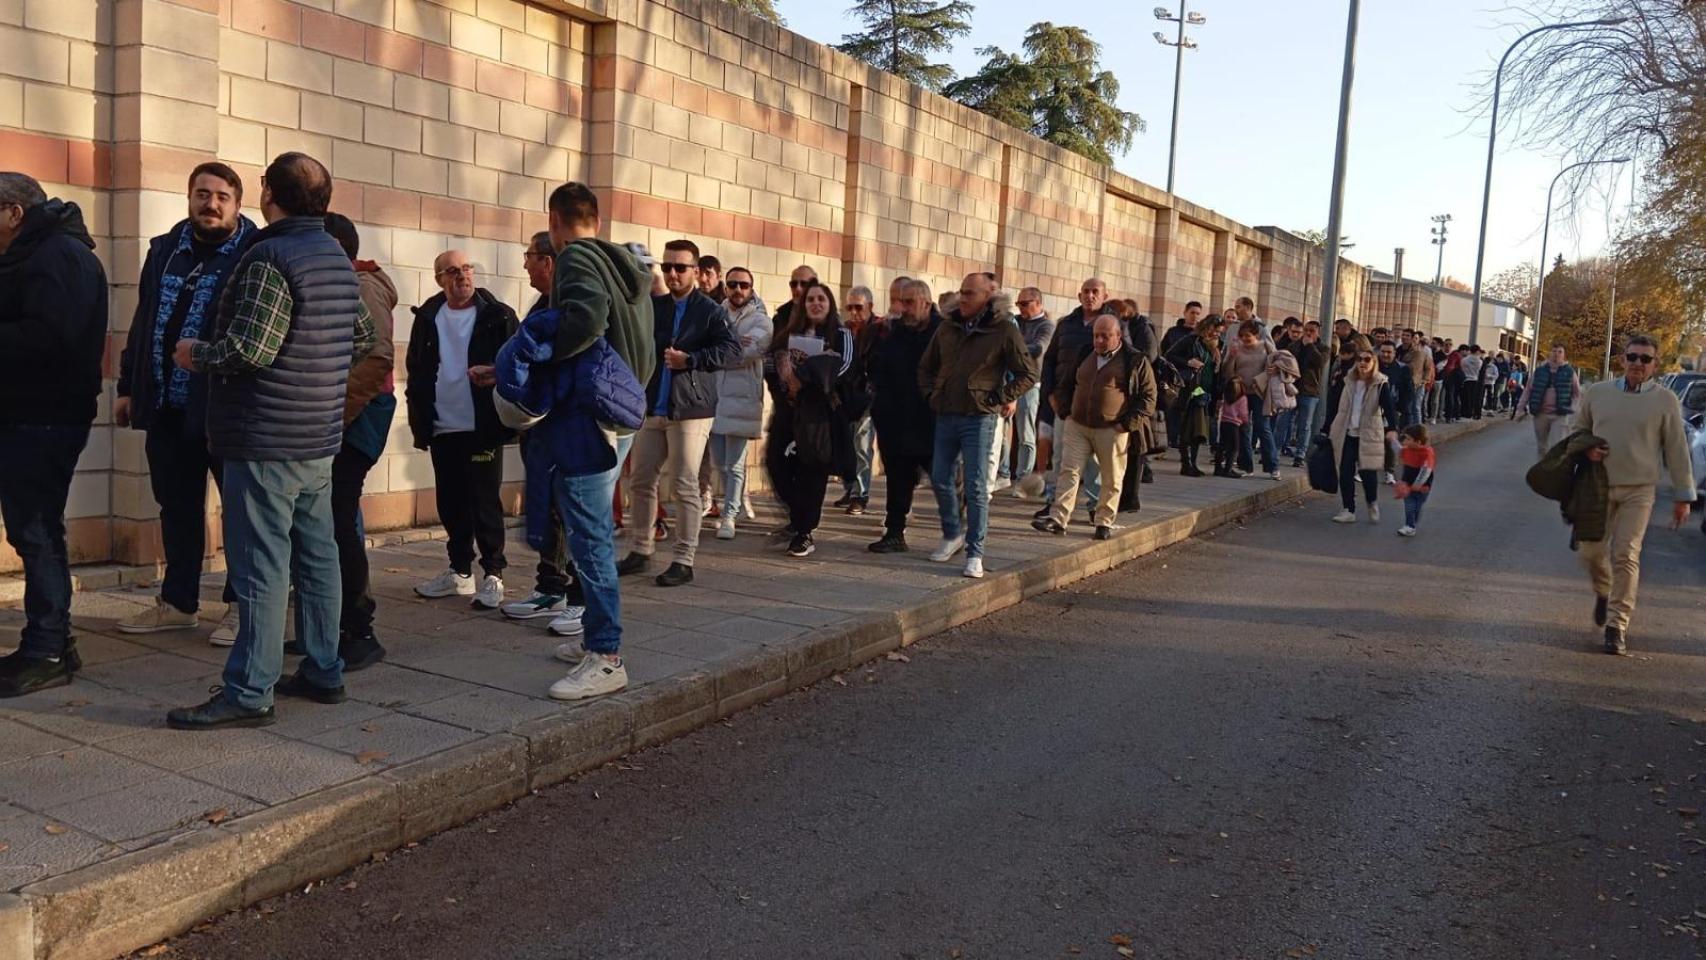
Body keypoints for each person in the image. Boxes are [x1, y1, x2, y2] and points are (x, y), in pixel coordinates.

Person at [164, 152, 375, 728]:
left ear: (267, 193)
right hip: (317, 437)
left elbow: (248, 351)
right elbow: (362, 336)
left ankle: (249, 691)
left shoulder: (268, 258)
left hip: (263, 437)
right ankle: (324, 668)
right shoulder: (334, 255)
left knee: (259, 567)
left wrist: (193, 353)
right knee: (318, 557)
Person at [112, 162, 254, 644]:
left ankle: (241, 607)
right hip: (166, 406)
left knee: (240, 511)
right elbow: (144, 318)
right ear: (190, 197)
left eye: (221, 196)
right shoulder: (166, 249)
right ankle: (178, 603)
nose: (210, 204)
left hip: (224, 409)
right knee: (176, 507)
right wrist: (128, 387)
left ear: (237, 203)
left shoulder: (254, 253)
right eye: (201, 194)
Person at [532, 182, 655, 699]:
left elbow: (585, 319)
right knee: (592, 527)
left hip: (591, 417)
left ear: (555, 222)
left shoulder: (578, 259)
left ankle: (606, 654)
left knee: (589, 536)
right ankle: (594, 640)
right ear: (596, 220)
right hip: (620, 413)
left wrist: (544, 353)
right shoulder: (625, 265)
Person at [0, 173, 107, 698]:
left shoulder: (57, 255)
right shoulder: (39, 252)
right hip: (30, 413)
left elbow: (51, 337)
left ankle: (45, 649)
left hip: (43, 416)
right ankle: (54, 643)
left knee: (38, 532)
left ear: (14, 212)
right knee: (37, 531)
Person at [618, 239, 739, 587]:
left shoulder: (710, 310)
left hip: (691, 408)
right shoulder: (656, 306)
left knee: (685, 484)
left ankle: (684, 559)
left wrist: (692, 360)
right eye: (667, 266)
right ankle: (641, 549)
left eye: (680, 267)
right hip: (652, 406)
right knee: (641, 479)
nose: (672, 273)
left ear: (696, 272)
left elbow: (730, 350)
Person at [406, 249, 519, 609]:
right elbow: (416, 368)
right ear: (439, 278)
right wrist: (419, 415)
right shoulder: (427, 316)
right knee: (450, 501)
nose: (463, 276)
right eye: (453, 271)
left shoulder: (497, 315)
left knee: (484, 499)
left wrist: (497, 378)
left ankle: (494, 574)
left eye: (467, 269)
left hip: (481, 422)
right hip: (442, 422)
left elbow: (517, 363)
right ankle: (460, 571)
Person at [1573, 334, 1695, 655]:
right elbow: (1578, 432)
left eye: (1645, 359)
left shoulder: (1665, 401)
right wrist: (1586, 450)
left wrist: (1684, 496)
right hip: (1598, 486)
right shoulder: (1596, 393)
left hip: (1639, 490)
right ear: (1622, 359)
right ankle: (1603, 590)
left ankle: (1617, 625)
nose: (1638, 364)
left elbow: (1677, 450)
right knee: (1590, 552)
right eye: (1633, 357)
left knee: (1626, 554)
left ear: (1655, 364)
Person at [313, 213, 396, 670]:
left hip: (357, 417)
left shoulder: (362, 287)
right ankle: (330, 627)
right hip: (349, 416)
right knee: (331, 520)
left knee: (339, 519)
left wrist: (332, 417)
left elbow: (376, 359)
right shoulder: (352, 282)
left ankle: (358, 630)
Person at [919, 272, 1038, 578]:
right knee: (940, 476)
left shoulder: (1003, 330)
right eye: (962, 292)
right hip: (946, 414)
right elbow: (926, 366)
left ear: (988, 296)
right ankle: (952, 533)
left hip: (980, 417)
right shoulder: (948, 326)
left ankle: (975, 552)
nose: (964, 298)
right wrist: (933, 395)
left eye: (970, 293)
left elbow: (1027, 373)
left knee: (976, 486)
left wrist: (998, 398)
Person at [502, 231, 582, 621]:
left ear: (547, 262)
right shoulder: (542, 303)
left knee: (574, 509)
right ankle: (552, 587)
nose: (524, 264)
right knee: (549, 507)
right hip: (541, 424)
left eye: (529, 255)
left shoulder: (572, 305)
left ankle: (583, 601)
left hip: (567, 424)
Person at [1031, 313, 1156, 540]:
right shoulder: (1084, 353)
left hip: (1112, 428)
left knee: (1111, 477)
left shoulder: (1134, 360)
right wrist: (1065, 412)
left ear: (1118, 336)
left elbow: (1148, 397)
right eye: (1096, 335)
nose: (1099, 341)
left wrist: (1126, 424)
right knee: (1068, 471)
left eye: (1105, 336)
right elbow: (1066, 382)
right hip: (1078, 425)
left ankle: (1104, 522)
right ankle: (1058, 519)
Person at [765, 282, 856, 558]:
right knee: (776, 464)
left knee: (811, 470)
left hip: (819, 414)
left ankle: (804, 531)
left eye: (821, 299)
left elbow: (845, 366)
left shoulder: (841, 334)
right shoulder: (788, 333)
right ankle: (799, 515)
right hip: (789, 410)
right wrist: (783, 372)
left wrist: (804, 376)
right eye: (810, 300)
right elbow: (769, 363)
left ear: (829, 304)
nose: (815, 304)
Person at [862, 279, 941, 553]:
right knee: (897, 478)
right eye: (899, 301)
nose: (902, 308)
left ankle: (958, 532)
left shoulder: (943, 333)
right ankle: (895, 532)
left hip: (930, 419)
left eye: (909, 302)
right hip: (895, 419)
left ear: (926, 303)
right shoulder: (893, 333)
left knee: (942, 479)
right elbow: (877, 367)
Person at [708, 266, 770, 540]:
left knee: (734, 464)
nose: (737, 290)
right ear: (725, 287)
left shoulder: (761, 320)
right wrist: (729, 345)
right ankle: (737, 505)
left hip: (742, 399)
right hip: (714, 398)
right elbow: (705, 347)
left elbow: (749, 351)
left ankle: (729, 516)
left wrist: (722, 347)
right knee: (720, 463)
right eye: (732, 284)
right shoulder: (714, 314)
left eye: (743, 285)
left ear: (751, 288)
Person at [1326, 348, 1399, 524]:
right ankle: (1348, 509)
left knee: (1368, 473)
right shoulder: (1348, 380)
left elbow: (1388, 407)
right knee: (1345, 472)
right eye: (1359, 359)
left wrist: (1392, 428)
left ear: (1373, 362)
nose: (1363, 363)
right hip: (1347, 432)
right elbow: (1333, 405)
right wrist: (1325, 427)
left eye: (1367, 359)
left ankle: (1372, 502)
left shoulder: (1380, 383)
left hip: (1369, 433)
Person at [999, 286, 1053, 495]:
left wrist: (1012, 348)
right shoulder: (1016, 322)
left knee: (1026, 434)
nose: (1020, 308)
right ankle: (1004, 473)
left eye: (1025, 303)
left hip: (1030, 384)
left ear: (1038, 303)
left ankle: (1023, 479)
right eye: (1018, 304)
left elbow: (1039, 348)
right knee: (1003, 431)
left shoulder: (1046, 325)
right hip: (1008, 381)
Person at [835, 284, 877, 514]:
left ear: (869, 307)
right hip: (847, 395)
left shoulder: (880, 330)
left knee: (862, 444)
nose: (853, 312)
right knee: (846, 444)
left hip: (868, 395)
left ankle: (860, 494)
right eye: (849, 307)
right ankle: (850, 487)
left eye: (858, 307)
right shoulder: (845, 331)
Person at [1222, 319, 1282, 479]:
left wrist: (1273, 369)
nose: (1245, 339)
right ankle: (1246, 465)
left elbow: (1278, 365)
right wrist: (1232, 357)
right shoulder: (1236, 348)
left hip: (1259, 392)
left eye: (1248, 336)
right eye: (1242, 336)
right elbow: (1227, 372)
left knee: (1263, 427)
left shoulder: (1266, 346)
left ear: (1256, 335)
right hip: (1241, 393)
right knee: (1243, 428)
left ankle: (1273, 466)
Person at [1167, 313, 1224, 477]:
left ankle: (1193, 462)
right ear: (1207, 327)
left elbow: (1215, 372)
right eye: (1215, 330)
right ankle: (1186, 463)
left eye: (1219, 332)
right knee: (1188, 428)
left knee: (1199, 430)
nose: (1216, 334)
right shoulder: (1192, 340)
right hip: (1191, 389)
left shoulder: (1216, 347)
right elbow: (1169, 355)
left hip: (1205, 391)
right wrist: (1187, 362)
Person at [1278, 319, 1328, 467]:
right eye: (1306, 330)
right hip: (1292, 389)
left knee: (1304, 425)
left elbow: (1320, 363)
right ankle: (1274, 451)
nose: (1308, 333)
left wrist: (1311, 346)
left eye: (1312, 331)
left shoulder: (1323, 348)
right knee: (1283, 421)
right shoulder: (1294, 345)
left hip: (1310, 391)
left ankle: (1300, 454)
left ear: (1318, 332)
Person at [1376, 342, 1414, 483]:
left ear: (1394, 354)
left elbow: (1407, 392)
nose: (1385, 355)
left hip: (1392, 409)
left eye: (1389, 352)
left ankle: (1389, 471)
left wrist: (1400, 410)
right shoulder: (1373, 366)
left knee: (1390, 440)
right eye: (1383, 351)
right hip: (1373, 410)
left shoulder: (1402, 369)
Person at [1393, 423, 1435, 538]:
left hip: (1422, 487)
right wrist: (1392, 441)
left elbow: (1426, 470)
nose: (1405, 441)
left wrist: (1418, 484)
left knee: (1417, 505)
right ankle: (1410, 526)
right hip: (1407, 485)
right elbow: (1399, 450)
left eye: (1408, 439)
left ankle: (1412, 520)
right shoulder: (1407, 450)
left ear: (1418, 442)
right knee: (1409, 505)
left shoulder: (1427, 453)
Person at [1213, 379, 1249, 479]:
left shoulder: (1226, 396)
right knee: (1234, 448)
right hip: (1234, 424)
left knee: (1222, 446)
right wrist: (1245, 422)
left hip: (1224, 422)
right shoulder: (1242, 398)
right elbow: (1243, 413)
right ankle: (1227, 469)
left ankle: (1217, 468)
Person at [774, 263, 817, 330]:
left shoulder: (827, 318)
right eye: (794, 284)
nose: (798, 288)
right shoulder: (780, 317)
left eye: (803, 284)